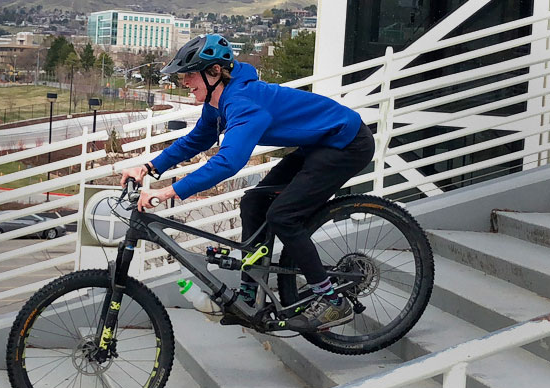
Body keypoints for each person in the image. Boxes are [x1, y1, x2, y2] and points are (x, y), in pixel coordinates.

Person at [120, 34, 375, 332]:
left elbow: (229, 161)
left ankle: (331, 299)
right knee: (253, 201)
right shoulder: (219, 103)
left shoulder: (243, 102)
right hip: (319, 144)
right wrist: (149, 167)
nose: (184, 82)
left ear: (215, 72)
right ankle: (249, 295)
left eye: (190, 74)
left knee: (283, 215)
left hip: (346, 143)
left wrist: (170, 192)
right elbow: (195, 141)